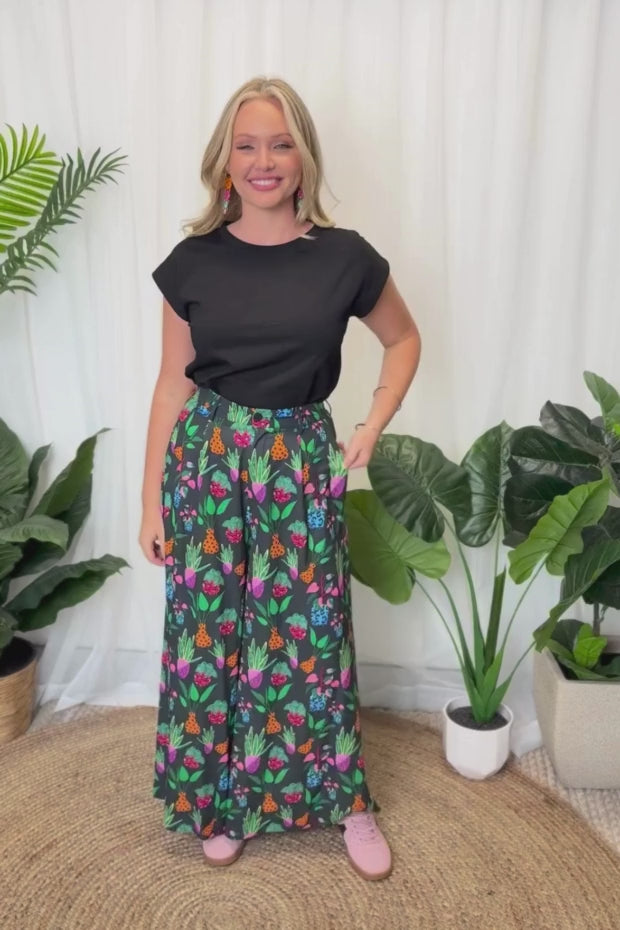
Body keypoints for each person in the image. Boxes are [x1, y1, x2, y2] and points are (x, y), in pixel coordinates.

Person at [140, 75, 421, 882]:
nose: (264, 161)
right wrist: (150, 500)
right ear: (225, 160)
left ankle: (344, 798)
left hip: (299, 460)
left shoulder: (345, 257)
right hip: (207, 461)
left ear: (304, 157)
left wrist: (371, 424)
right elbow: (172, 385)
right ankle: (220, 801)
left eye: (281, 144)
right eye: (247, 145)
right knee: (210, 634)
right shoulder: (191, 262)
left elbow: (404, 340)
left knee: (310, 633)